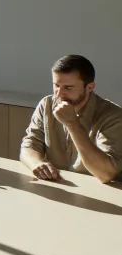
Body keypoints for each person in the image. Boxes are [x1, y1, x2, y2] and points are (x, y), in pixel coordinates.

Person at [20, 55, 122, 184]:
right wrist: (37, 163)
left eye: (68, 88)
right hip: (61, 185)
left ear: (90, 87)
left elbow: (106, 174)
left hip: (103, 192)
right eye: (56, 85)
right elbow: (30, 143)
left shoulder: (113, 116)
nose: (59, 94)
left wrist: (72, 124)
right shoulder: (47, 104)